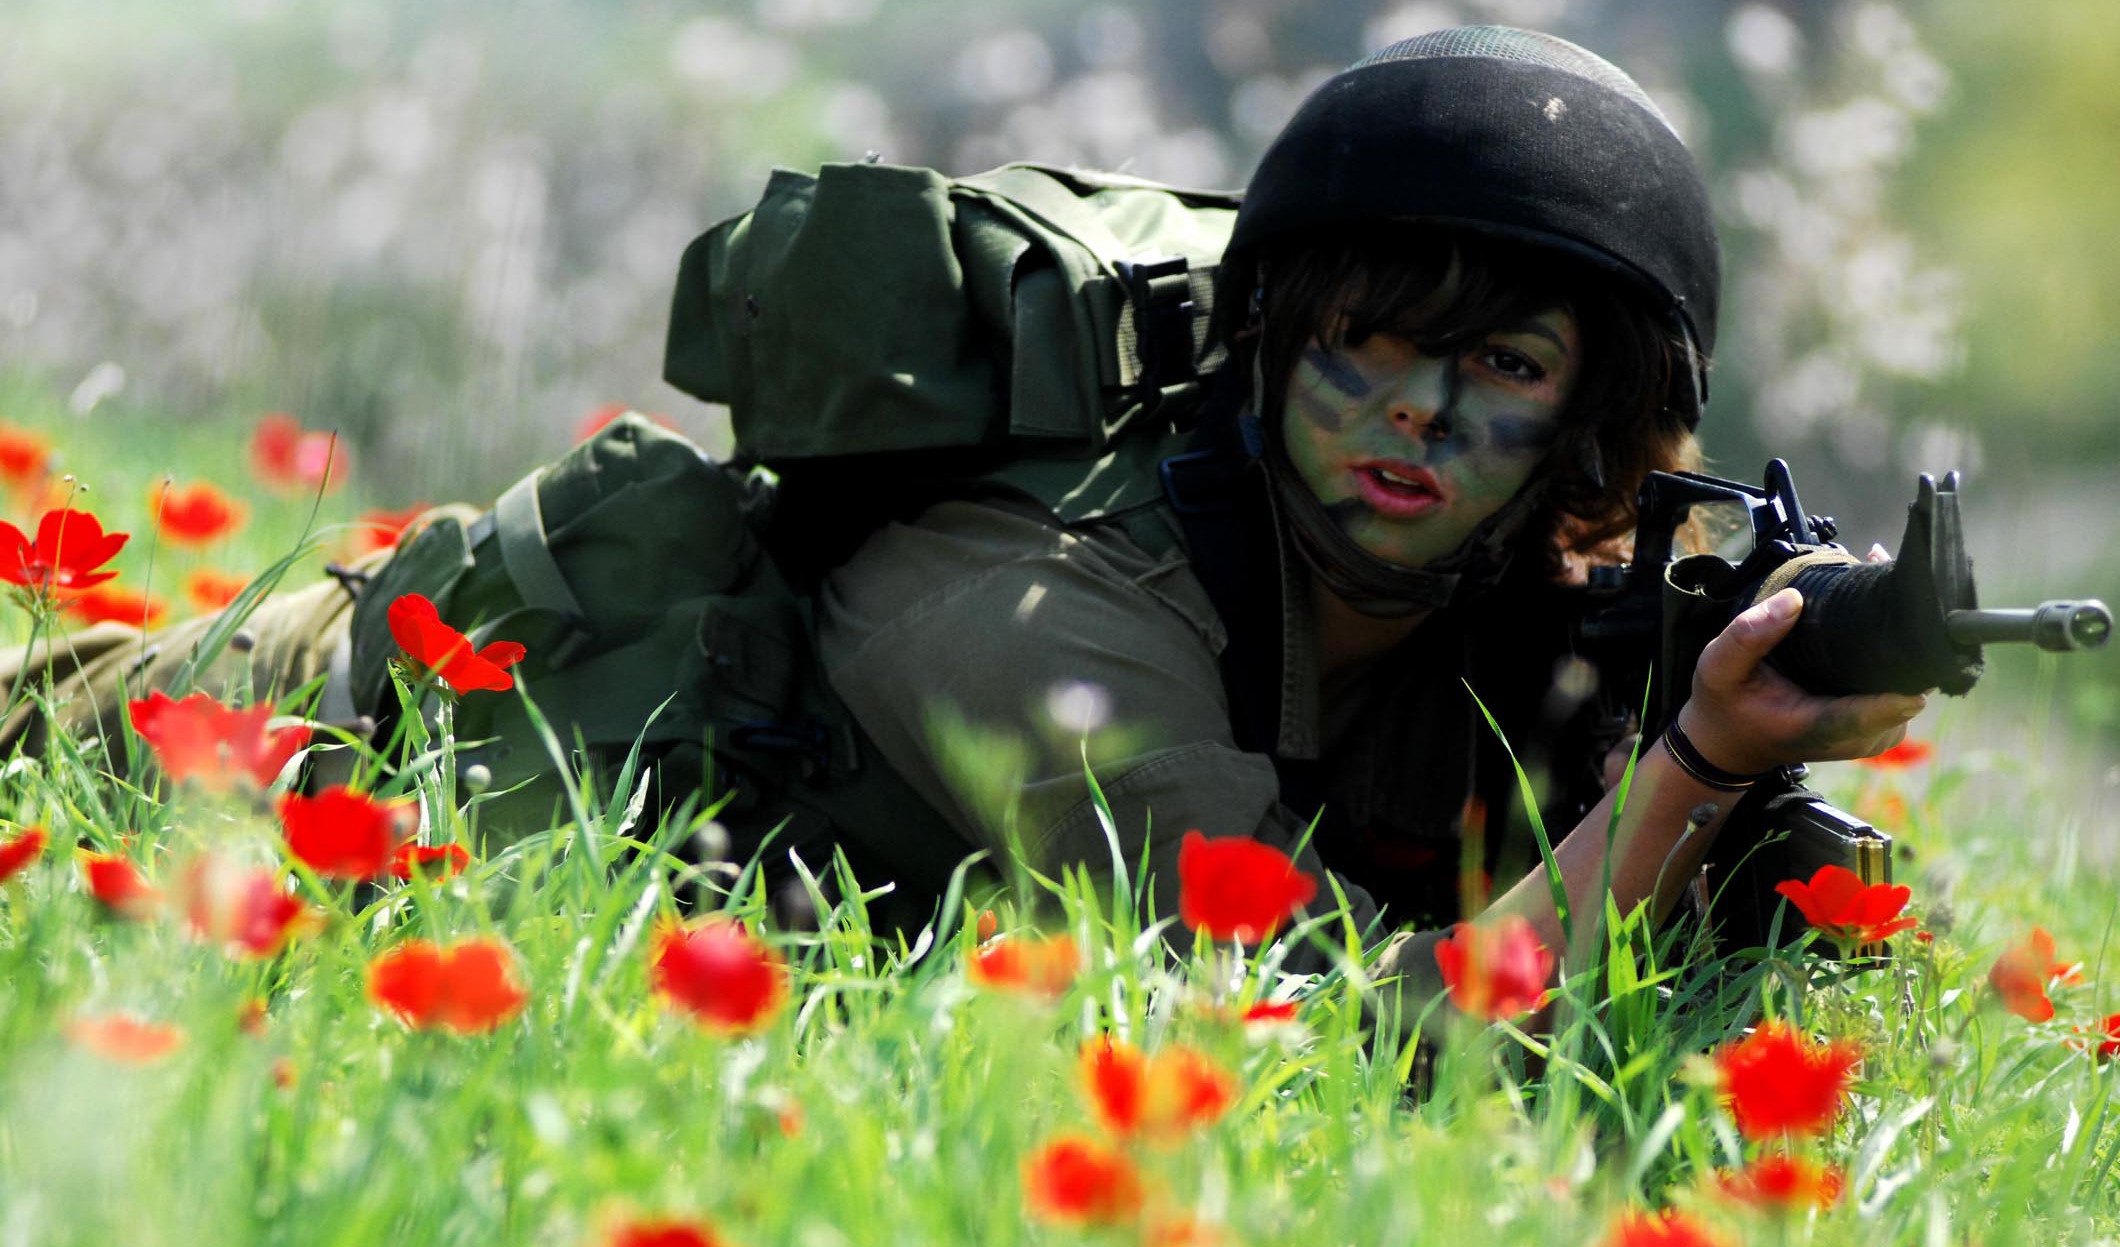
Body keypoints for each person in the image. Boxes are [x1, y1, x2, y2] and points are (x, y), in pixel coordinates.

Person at [1, 27, 1924, 1017]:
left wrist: (1744, 783)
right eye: (1369, 340)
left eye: (1501, 365)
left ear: (1592, 423)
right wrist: (1689, 768)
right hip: (273, 738)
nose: (1417, 413)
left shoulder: (1502, 593)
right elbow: (1363, 1044)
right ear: (1268, 345)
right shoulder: (1043, 613)